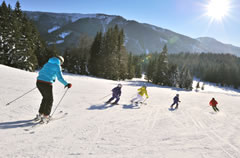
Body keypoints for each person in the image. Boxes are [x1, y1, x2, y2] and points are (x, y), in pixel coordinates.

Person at [35, 56, 72, 123]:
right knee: (49, 100)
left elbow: (41, 73)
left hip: (39, 82)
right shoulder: (57, 66)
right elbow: (60, 78)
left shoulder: (47, 64)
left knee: (45, 98)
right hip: (46, 84)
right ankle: (46, 116)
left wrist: (47, 79)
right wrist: (66, 84)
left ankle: (40, 114)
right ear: (60, 61)